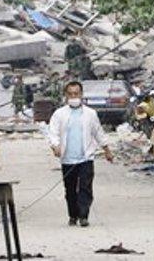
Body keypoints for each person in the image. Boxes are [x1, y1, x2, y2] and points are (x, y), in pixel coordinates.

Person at [47, 80, 114, 227]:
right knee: (70, 190)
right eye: (70, 94)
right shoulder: (59, 114)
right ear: (66, 95)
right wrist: (55, 146)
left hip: (86, 158)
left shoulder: (90, 114)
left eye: (76, 94)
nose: (73, 96)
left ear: (81, 95)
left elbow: (98, 132)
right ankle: (73, 215)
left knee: (85, 188)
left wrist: (107, 150)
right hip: (67, 159)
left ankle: (84, 216)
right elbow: (53, 132)